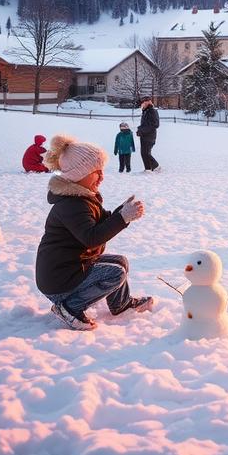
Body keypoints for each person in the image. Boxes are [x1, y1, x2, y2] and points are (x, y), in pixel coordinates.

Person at [35, 134, 153, 330]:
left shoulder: (82, 197)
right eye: (97, 172)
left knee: (119, 262)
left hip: (71, 269)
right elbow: (91, 237)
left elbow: (102, 221)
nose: (102, 176)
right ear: (79, 174)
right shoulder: (71, 204)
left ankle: (121, 304)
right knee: (115, 272)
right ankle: (70, 307)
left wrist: (121, 212)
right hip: (59, 280)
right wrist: (122, 217)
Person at [136, 97, 160, 172]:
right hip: (144, 135)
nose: (142, 105)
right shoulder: (145, 111)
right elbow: (145, 124)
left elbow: (155, 124)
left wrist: (142, 130)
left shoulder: (152, 111)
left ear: (148, 102)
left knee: (146, 152)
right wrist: (139, 129)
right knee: (143, 153)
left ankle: (156, 166)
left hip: (150, 136)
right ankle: (148, 169)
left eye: (143, 103)